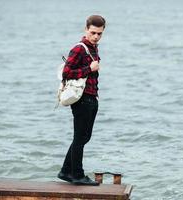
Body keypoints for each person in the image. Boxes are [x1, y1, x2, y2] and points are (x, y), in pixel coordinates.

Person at [58, 15, 106, 186]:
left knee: (85, 137)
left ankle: (65, 171)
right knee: (80, 137)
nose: (96, 36)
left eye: (99, 33)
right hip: (82, 99)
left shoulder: (94, 48)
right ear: (86, 29)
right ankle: (77, 175)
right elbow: (66, 73)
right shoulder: (79, 49)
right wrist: (88, 68)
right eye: (93, 32)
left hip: (92, 97)